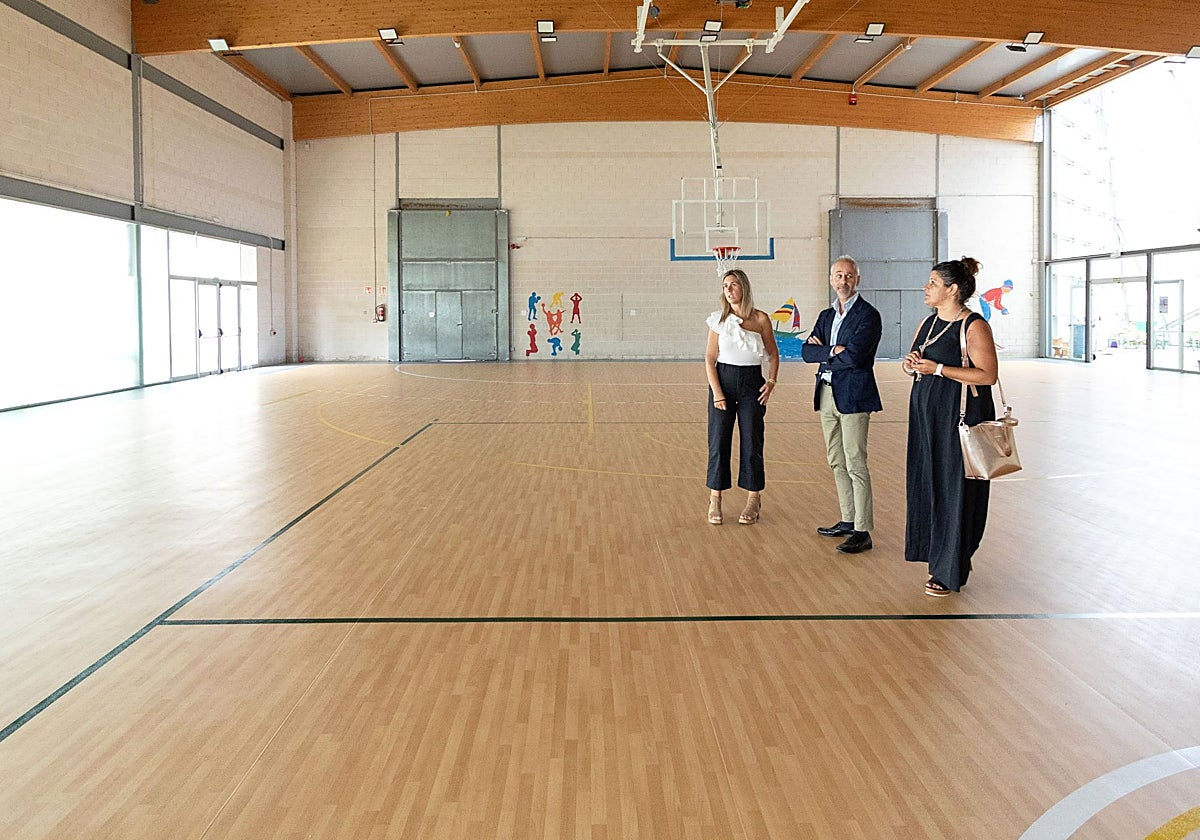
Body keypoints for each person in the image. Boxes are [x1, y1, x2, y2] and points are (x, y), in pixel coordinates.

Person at [902, 257, 999, 596]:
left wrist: (939, 369)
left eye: (932, 283)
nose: (926, 288)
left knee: (956, 490)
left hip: (959, 417)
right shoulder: (927, 324)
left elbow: (987, 375)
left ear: (952, 289)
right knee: (929, 484)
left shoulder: (973, 326)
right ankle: (941, 555)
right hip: (927, 416)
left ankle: (950, 566)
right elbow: (913, 364)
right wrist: (911, 364)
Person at [801, 256, 883, 554]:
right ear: (831, 279)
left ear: (857, 280)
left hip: (855, 396)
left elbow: (856, 356)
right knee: (836, 459)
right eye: (838, 275)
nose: (843, 280)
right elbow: (806, 352)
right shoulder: (826, 316)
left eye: (849, 275)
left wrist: (826, 352)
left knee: (855, 461)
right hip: (826, 393)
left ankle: (863, 530)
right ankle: (848, 519)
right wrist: (832, 350)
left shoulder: (868, 315)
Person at [705, 269, 780, 526]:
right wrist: (717, 392)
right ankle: (715, 498)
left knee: (751, 441)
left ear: (744, 288)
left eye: (733, 284)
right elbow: (709, 358)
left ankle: (753, 497)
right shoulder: (718, 320)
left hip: (751, 384)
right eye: (725, 285)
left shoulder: (761, 319)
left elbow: (773, 354)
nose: (729, 289)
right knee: (718, 442)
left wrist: (770, 382)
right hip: (723, 383)